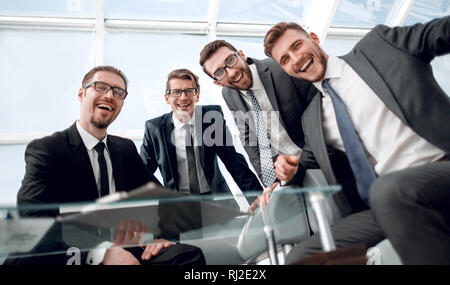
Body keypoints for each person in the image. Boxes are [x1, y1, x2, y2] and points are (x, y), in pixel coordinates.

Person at [264, 16, 450, 264]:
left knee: (389, 190)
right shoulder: (313, 118)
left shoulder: (379, 47)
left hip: (439, 169)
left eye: (296, 46)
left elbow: (440, 32)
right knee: (302, 258)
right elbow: (304, 163)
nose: (295, 59)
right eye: (284, 60)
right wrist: (286, 172)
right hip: (386, 204)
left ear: (314, 39)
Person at [15, 65, 205, 265]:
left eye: (118, 92)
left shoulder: (124, 149)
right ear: (82, 93)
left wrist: (162, 237)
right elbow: (32, 218)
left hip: (123, 246)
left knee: (188, 256)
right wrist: (101, 253)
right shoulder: (48, 149)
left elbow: (163, 199)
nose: (109, 95)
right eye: (100, 87)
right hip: (70, 254)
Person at [199, 40, 317, 212]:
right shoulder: (229, 94)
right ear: (217, 82)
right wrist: (271, 183)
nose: (231, 73)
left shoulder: (279, 67)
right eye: (219, 72)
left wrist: (301, 164)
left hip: (320, 160)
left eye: (230, 61)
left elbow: (319, 113)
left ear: (241, 54)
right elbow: (250, 141)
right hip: (287, 179)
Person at [140, 68, 263, 210]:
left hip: (217, 202)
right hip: (178, 207)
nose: (183, 97)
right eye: (176, 92)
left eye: (189, 91)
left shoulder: (211, 117)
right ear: (167, 98)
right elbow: (142, 173)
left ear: (197, 96)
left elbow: (233, 161)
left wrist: (257, 198)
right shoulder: (154, 128)